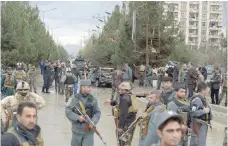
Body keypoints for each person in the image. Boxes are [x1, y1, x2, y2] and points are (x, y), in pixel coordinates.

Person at [65, 79, 101, 146]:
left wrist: (93, 122)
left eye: (91, 87)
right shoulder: (74, 98)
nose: (91, 89)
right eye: (88, 87)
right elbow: (67, 111)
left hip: (88, 131)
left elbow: (97, 113)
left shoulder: (93, 99)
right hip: (77, 130)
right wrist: (78, 117)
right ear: (82, 87)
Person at [105, 82, 138, 146]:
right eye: (120, 89)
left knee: (122, 143)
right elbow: (119, 103)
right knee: (127, 142)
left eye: (122, 90)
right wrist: (111, 102)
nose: (120, 91)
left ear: (126, 90)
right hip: (131, 123)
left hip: (125, 124)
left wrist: (120, 127)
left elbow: (123, 114)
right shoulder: (130, 96)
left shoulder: (125, 99)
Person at [189, 82, 212, 146]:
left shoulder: (203, 99)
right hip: (198, 127)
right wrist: (204, 111)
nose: (208, 91)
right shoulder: (197, 100)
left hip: (202, 127)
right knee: (198, 142)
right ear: (203, 90)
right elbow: (193, 112)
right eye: (207, 90)